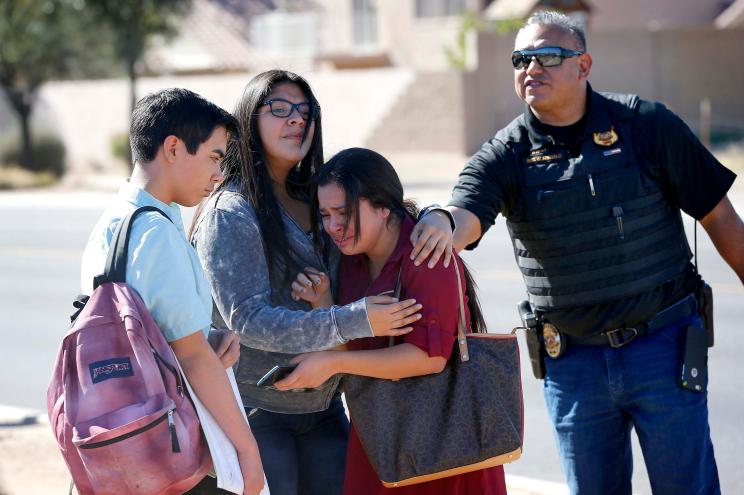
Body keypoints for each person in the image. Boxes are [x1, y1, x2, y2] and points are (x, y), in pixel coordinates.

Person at [411, 10, 744, 495]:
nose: (531, 68)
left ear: (584, 65)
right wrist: (441, 221)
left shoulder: (646, 126)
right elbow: (467, 213)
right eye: (521, 58)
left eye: (548, 56)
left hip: (662, 348)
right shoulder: (506, 153)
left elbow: (720, 218)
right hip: (573, 365)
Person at [190, 70, 422, 495]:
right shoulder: (232, 211)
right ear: (249, 121)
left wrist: (434, 219)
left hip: (325, 408)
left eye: (305, 111)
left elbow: (385, 215)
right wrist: (355, 320)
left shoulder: (320, 197)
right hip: (257, 413)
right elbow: (248, 320)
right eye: (279, 109)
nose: (296, 120)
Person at [274, 147, 508, 495]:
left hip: (444, 447)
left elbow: (429, 358)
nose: (333, 226)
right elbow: (353, 349)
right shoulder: (349, 259)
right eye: (325, 214)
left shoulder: (426, 256)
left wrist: (332, 362)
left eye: (344, 212)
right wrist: (323, 302)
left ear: (384, 207)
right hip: (380, 438)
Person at [79, 88, 264, 495]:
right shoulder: (156, 232)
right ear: (174, 148)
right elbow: (192, 357)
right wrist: (248, 452)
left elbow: (143, 332)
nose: (219, 174)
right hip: (168, 447)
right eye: (215, 157)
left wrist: (203, 337)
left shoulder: (114, 220)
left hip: (120, 438)